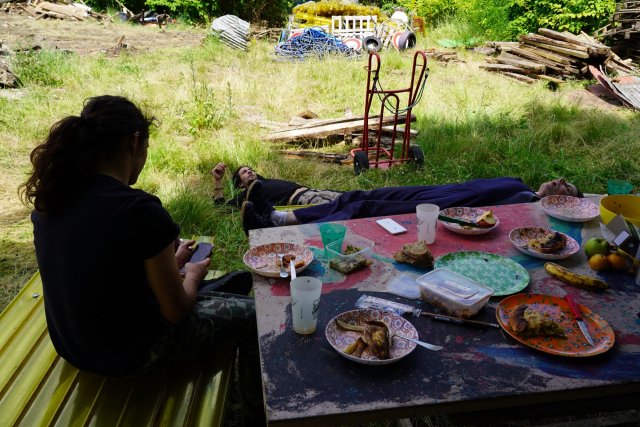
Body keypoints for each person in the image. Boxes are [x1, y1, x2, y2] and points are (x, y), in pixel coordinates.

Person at [20, 96, 264, 423]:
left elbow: (104, 270)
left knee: (229, 290)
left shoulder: (53, 197)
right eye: (146, 148)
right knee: (255, 316)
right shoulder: (139, 210)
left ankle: (222, 291)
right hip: (128, 355)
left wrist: (172, 262)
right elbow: (176, 311)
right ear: (134, 142)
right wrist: (192, 273)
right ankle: (250, 416)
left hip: (73, 344)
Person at [241, 176, 583, 234]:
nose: (560, 181)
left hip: (435, 207)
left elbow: (484, 218)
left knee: (360, 211)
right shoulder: (523, 186)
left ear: (563, 202)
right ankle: (276, 216)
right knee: (355, 197)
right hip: (430, 191)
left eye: (567, 188)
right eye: (562, 179)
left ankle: (271, 228)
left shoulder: (525, 202)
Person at [211, 162, 343, 207]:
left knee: (349, 197)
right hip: (304, 200)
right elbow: (221, 207)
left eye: (251, 169)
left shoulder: (264, 181)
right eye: (244, 172)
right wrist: (217, 180)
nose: (250, 171)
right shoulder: (247, 195)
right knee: (339, 207)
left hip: (315, 191)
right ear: (240, 183)